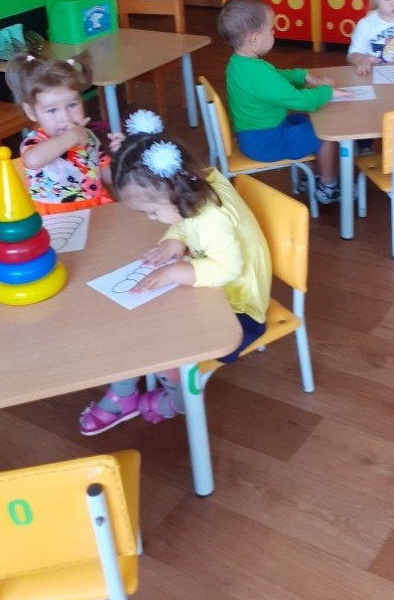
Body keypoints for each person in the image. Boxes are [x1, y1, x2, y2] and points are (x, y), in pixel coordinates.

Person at [78, 110, 272, 434]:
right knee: (140, 322)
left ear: (175, 192)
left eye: (153, 212)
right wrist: (175, 238)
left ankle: (178, 400)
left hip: (240, 310)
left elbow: (227, 267)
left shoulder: (211, 220)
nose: (151, 219)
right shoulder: (197, 183)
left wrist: (173, 273)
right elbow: (184, 221)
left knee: (164, 341)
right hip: (219, 293)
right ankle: (125, 392)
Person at [218, 0, 350, 205]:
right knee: (326, 133)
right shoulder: (258, 75)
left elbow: (276, 78)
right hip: (266, 142)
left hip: (256, 135)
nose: (274, 33)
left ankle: (311, 176)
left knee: (307, 121)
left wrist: (301, 75)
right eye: (271, 29)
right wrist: (327, 92)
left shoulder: (239, 63)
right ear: (255, 38)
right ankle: (329, 186)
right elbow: (301, 101)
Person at [6, 51, 122, 214]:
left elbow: (107, 176)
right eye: (52, 110)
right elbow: (33, 160)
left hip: (96, 210)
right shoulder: (35, 142)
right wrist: (72, 136)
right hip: (55, 218)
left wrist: (121, 158)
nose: (65, 117)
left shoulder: (88, 136)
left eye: (72, 105)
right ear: (31, 112)